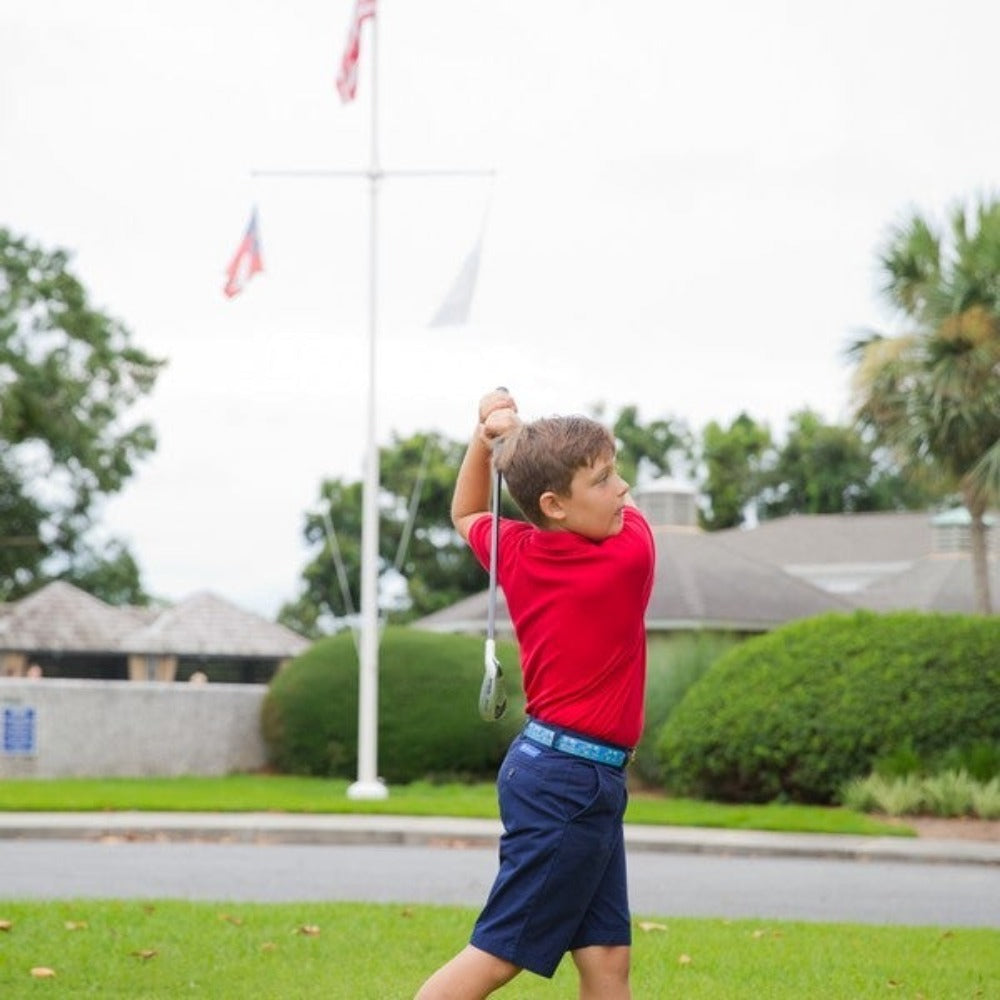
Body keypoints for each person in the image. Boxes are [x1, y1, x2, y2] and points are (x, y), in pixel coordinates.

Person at [415, 388, 656, 1000]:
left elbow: (467, 512)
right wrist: (510, 438)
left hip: (563, 774)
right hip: (570, 784)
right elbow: (630, 522)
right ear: (552, 504)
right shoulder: (627, 557)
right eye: (603, 479)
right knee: (498, 954)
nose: (622, 489)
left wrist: (489, 435)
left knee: (606, 957)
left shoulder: (519, 551)